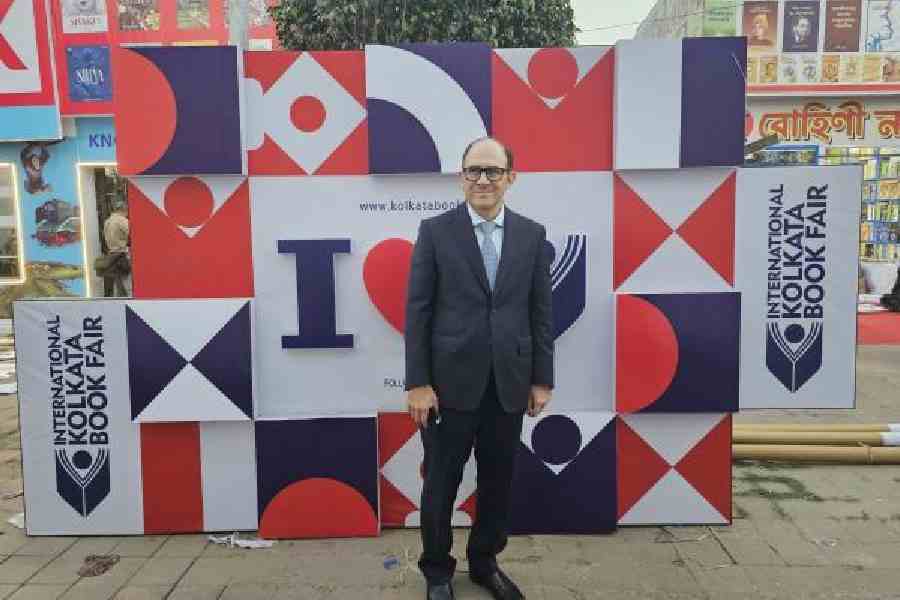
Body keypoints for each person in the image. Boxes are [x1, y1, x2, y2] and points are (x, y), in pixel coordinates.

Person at [405, 137, 553, 600]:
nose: (482, 180)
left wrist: (541, 378)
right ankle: (436, 572)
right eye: (474, 171)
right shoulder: (435, 231)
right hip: (448, 388)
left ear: (512, 177)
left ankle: (485, 562)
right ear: (461, 176)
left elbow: (540, 312)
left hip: (508, 385)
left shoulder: (532, 235)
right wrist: (418, 383)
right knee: (441, 485)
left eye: (492, 171)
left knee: (497, 483)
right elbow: (419, 312)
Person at [102, 201, 130, 297]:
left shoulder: (107, 221)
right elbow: (134, 234)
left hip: (112, 256)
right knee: (128, 285)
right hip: (123, 255)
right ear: (123, 209)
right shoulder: (122, 220)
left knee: (119, 286)